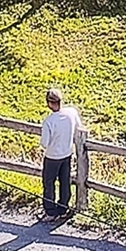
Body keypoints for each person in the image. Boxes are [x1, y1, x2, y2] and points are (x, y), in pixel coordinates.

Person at [37, 90, 86, 224]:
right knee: (65, 182)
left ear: (49, 103)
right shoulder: (71, 113)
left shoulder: (49, 121)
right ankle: (63, 208)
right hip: (67, 154)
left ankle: (50, 212)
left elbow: (44, 143)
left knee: (49, 184)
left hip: (52, 157)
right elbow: (78, 127)